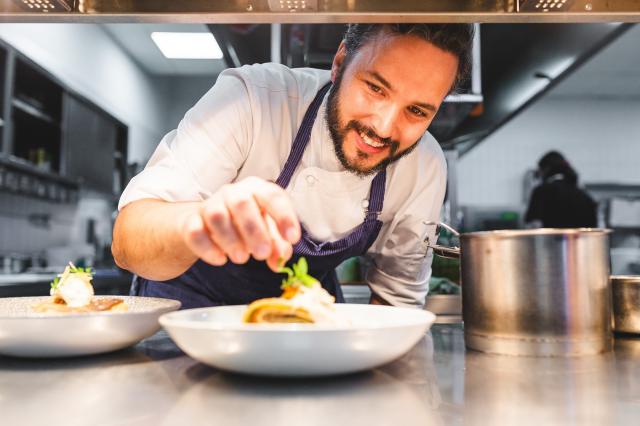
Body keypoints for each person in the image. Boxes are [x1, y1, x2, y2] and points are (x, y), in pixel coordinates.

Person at [112, 24, 474, 309]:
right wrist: (201, 220)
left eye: (417, 111)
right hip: (186, 314)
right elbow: (128, 242)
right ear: (339, 63)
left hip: (302, 323)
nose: (383, 127)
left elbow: (397, 305)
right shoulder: (254, 98)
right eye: (375, 88)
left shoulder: (423, 167)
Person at [525, 151, 597, 228]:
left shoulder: (541, 192)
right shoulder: (585, 196)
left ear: (546, 169)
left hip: (550, 236)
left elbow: (533, 225)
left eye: (540, 172)